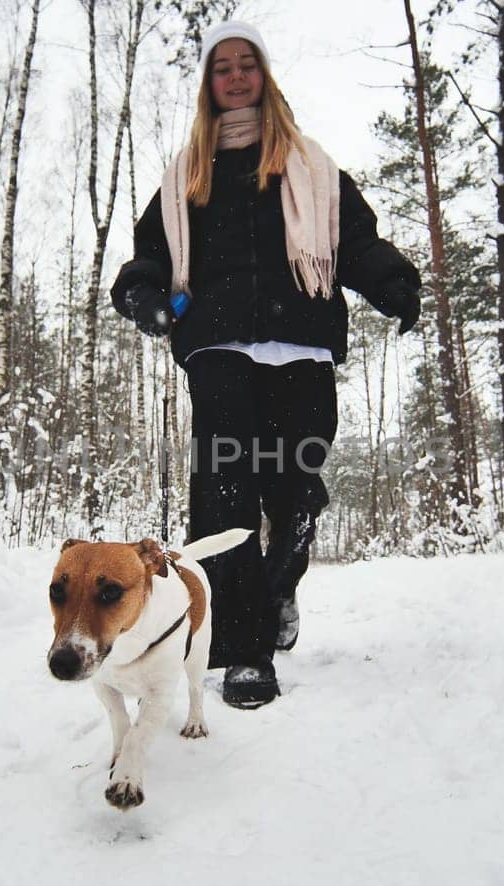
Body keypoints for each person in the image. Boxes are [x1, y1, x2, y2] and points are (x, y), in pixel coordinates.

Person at [110, 21, 420, 709]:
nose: (237, 75)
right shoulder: (187, 174)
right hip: (217, 348)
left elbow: (356, 242)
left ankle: (278, 589)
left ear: (264, 76)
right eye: (223, 67)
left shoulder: (311, 166)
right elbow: (151, 254)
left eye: (248, 63)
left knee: (294, 488)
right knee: (225, 492)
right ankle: (243, 648)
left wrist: (394, 282)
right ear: (209, 85)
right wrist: (142, 292)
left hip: (302, 347)